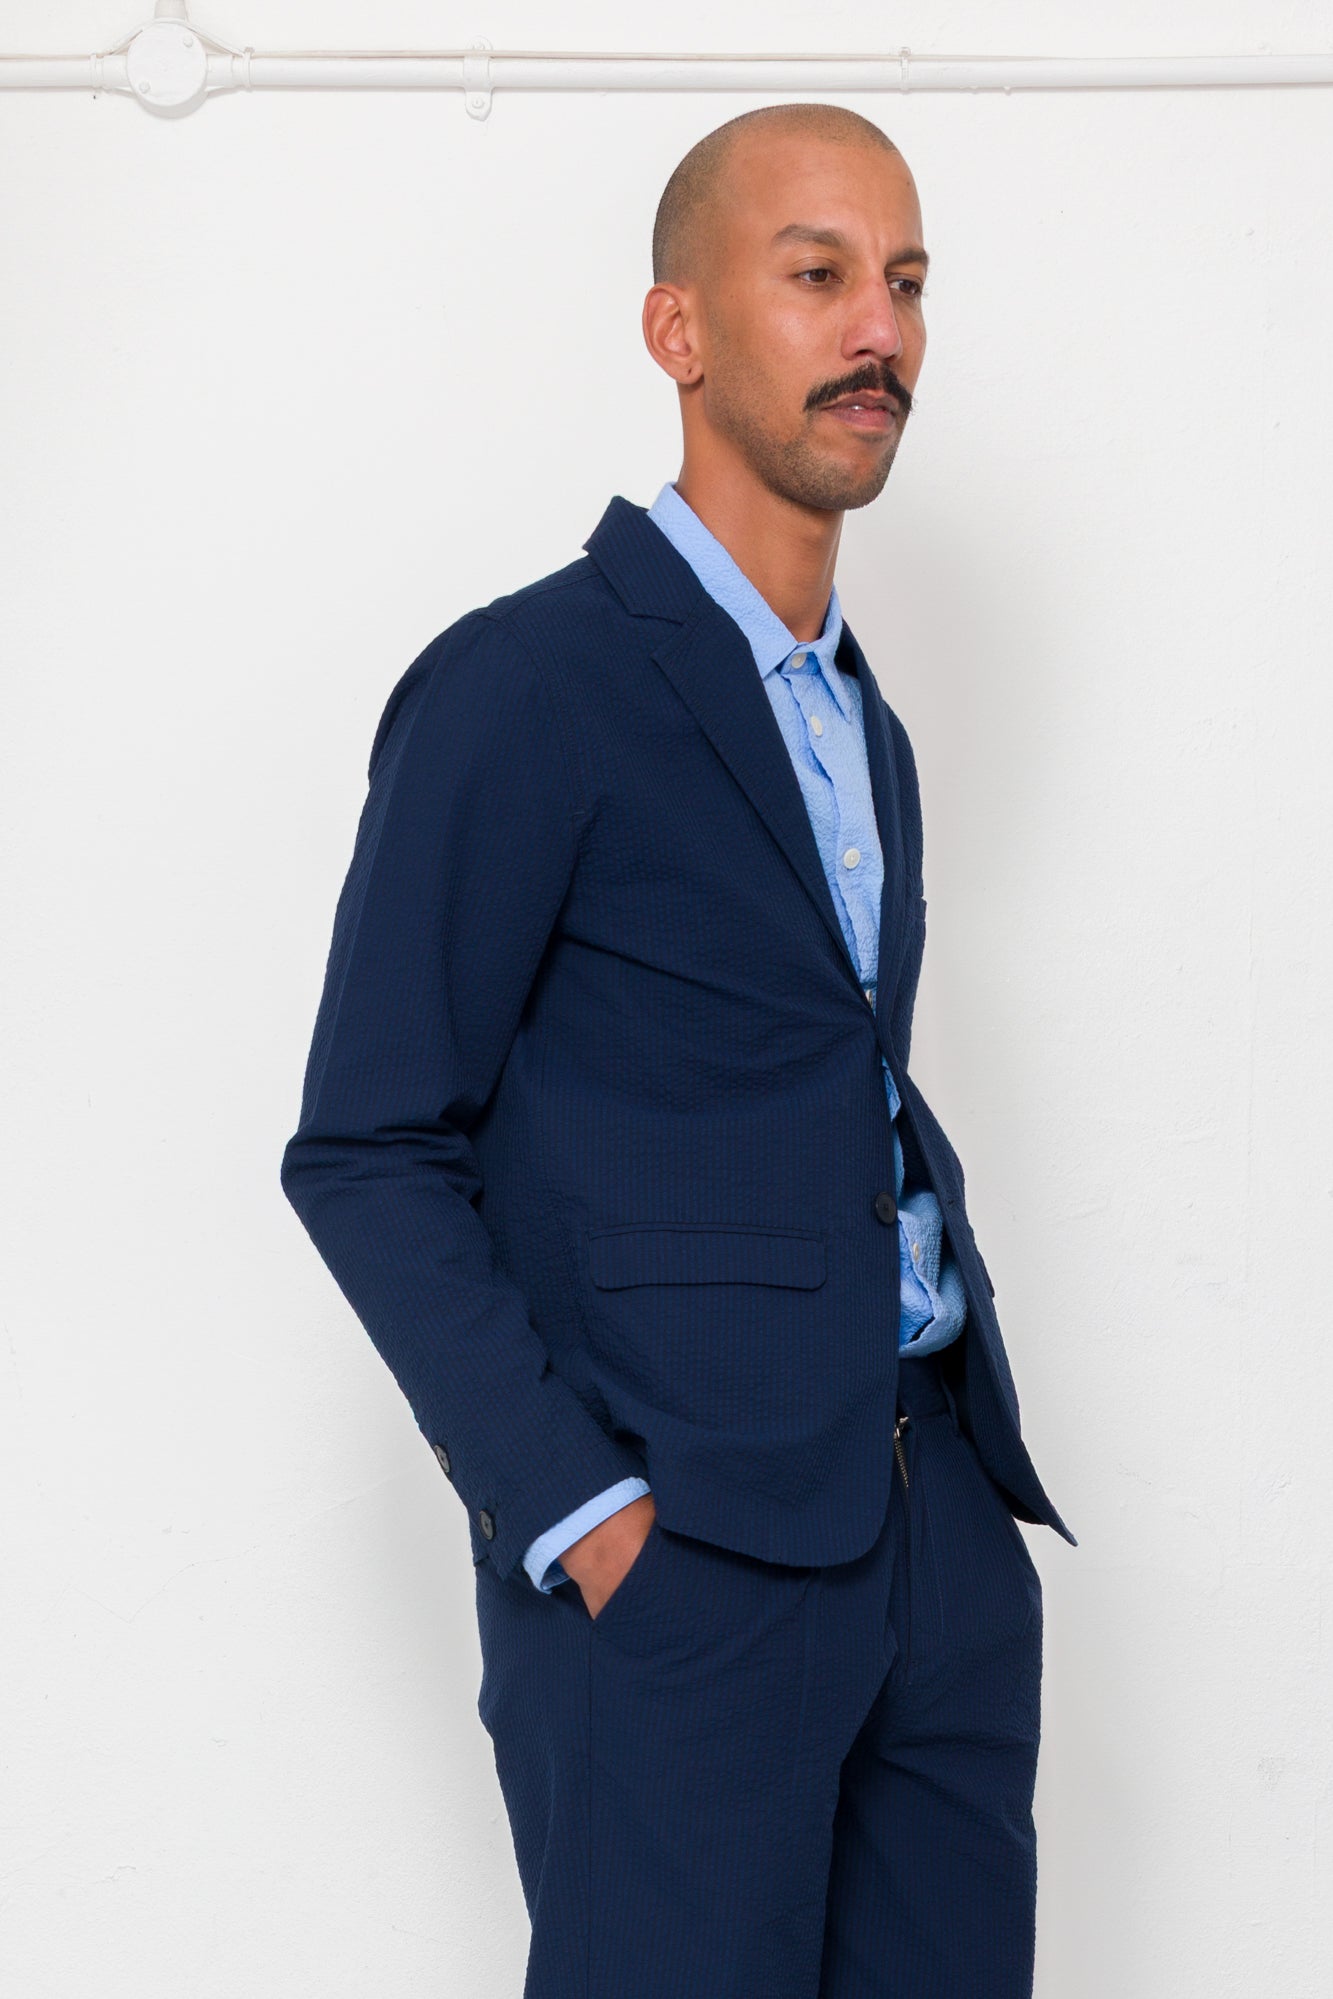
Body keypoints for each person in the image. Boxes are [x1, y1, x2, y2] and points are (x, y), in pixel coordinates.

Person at [279, 99, 1077, 1999]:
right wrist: (587, 1518)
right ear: (680, 332)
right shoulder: (529, 681)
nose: (875, 330)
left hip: (932, 1541)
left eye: (902, 285)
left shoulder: (858, 721)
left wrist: (951, 1525)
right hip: (688, 1566)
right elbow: (370, 1146)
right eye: (814, 276)